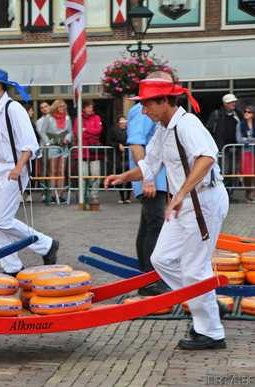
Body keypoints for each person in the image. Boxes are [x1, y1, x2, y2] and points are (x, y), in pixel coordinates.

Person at [105, 74, 229, 350]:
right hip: (184, 203)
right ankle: (207, 303)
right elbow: (149, 167)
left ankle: (211, 332)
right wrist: (121, 178)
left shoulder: (187, 124)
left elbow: (207, 157)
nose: (142, 110)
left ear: (164, 101)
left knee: (195, 267)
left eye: (147, 104)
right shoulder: (162, 129)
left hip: (203, 201)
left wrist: (181, 193)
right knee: (161, 259)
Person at [0, 65, 59, 275]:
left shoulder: (14, 108)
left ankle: (46, 244)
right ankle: (11, 266)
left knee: (2, 219)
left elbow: (30, 144)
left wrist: (19, 168)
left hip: (14, 168)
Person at [127, 101, 169, 296]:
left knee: (148, 226)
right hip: (152, 177)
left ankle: (146, 276)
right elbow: (136, 143)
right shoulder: (141, 110)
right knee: (155, 225)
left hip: (157, 176)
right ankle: (151, 278)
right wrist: (147, 176)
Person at [206, 94, 243, 202]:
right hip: (223, 149)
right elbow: (209, 129)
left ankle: (230, 195)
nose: (234, 103)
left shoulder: (238, 114)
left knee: (232, 172)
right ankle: (223, 196)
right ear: (225, 103)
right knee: (224, 171)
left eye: (234, 101)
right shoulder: (217, 114)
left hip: (235, 149)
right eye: (231, 102)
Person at [41, 99, 73, 203]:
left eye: (64, 106)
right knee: (53, 171)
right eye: (60, 106)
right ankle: (53, 195)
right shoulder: (49, 118)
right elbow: (43, 131)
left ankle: (60, 195)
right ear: (56, 107)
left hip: (64, 146)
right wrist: (47, 143)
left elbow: (70, 131)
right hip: (53, 145)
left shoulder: (67, 118)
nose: (62, 108)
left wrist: (67, 138)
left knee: (61, 172)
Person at [73, 99, 103, 204]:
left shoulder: (97, 118)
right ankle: (83, 195)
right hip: (82, 151)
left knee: (95, 174)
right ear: (84, 109)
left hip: (94, 151)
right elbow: (77, 134)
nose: (90, 109)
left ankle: (95, 196)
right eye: (88, 107)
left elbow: (98, 131)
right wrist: (92, 134)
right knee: (83, 174)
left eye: (91, 107)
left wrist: (86, 130)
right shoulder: (78, 119)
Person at [106, 115, 131, 204]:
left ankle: (128, 197)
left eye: (125, 122)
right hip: (117, 156)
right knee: (119, 174)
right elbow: (108, 141)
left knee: (128, 175)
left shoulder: (129, 130)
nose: (124, 124)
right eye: (121, 122)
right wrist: (118, 145)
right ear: (117, 123)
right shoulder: (113, 130)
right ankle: (122, 197)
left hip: (127, 155)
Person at [22, 103, 41, 203]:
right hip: (22, 152)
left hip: (30, 153)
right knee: (22, 172)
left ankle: (29, 193)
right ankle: (20, 193)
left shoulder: (31, 124)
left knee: (30, 172)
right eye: (31, 110)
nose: (33, 112)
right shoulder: (22, 123)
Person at [236, 105, 255, 203]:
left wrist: (247, 139)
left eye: (249, 112)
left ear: (253, 114)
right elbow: (239, 140)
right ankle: (248, 191)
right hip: (246, 151)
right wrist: (251, 141)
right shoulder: (240, 125)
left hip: (253, 150)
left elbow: (243, 139)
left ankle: (252, 193)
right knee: (247, 173)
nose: (246, 113)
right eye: (245, 111)